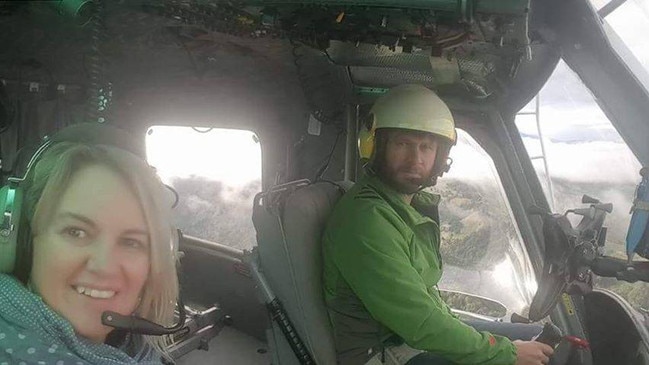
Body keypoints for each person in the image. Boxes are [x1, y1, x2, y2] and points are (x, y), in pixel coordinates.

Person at [322, 84, 554, 365]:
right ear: (375, 146)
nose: (415, 159)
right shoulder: (367, 220)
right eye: (402, 144)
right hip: (383, 353)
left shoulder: (403, 207)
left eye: (426, 147)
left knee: (541, 339)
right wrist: (507, 353)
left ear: (439, 157)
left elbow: (422, 305)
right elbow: (419, 322)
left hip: (407, 337)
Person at [0, 123, 179, 364]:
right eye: (76, 232)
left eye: (131, 242)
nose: (104, 266)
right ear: (23, 243)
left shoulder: (136, 352)